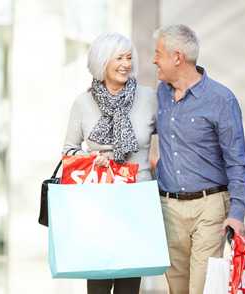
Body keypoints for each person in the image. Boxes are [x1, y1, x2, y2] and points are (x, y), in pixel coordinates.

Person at [153, 24, 245, 294]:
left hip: (210, 208)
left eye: (158, 53)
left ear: (177, 57)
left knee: (202, 288)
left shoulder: (221, 99)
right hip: (169, 208)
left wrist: (237, 213)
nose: (153, 60)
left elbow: (237, 162)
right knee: (178, 290)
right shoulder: (160, 95)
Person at [63, 32, 157, 294]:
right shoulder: (82, 103)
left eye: (129, 58)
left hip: (136, 202)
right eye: (119, 58)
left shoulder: (148, 98)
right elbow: (69, 152)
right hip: (98, 203)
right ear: (102, 61)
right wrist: (93, 159)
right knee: (98, 285)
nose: (126, 64)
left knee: (129, 285)